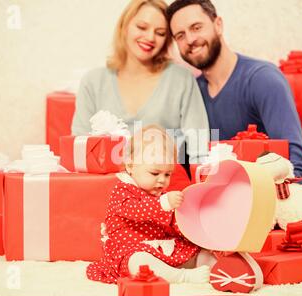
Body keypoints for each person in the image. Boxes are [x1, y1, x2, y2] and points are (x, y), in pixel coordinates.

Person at [166, 0, 302, 203]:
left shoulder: (262, 78)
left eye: (196, 27)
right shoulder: (192, 91)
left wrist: (288, 199)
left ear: (218, 24)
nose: (190, 39)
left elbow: (295, 152)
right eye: (180, 35)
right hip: (221, 189)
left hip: (266, 186)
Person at [71, 0, 210, 188]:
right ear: (125, 26)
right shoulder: (93, 82)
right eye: (142, 27)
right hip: (106, 192)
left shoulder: (181, 79)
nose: (150, 37)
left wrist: (201, 189)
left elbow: (198, 146)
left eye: (160, 33)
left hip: (165, 193)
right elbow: (79, 147)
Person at [86, 125, 210, 284]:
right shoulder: (122, 191)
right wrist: (164, 203)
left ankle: (216, 269)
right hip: (129, 251)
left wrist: (191, 230)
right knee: (139, 262)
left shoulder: (162, 197)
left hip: (160, 248)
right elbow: (136, 210)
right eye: (155, 173)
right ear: (130, 166)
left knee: (196, 251)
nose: (162, 180)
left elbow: (174, 223)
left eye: (167, 174)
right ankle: (183, 277)